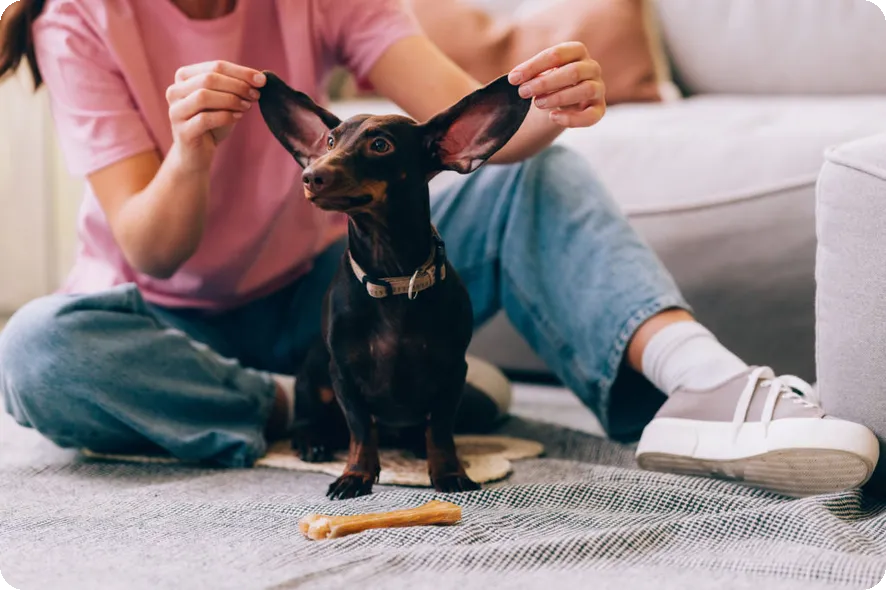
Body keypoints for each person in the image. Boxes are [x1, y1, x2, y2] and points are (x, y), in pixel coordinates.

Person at [0, 0, 878, 496]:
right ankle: (316, 402)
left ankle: (702, 383)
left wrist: (551, 109)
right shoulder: (76, 19)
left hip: (324, 291)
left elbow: (466, 132)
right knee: (37, 352)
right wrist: (192, 151)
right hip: (164, 327)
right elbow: (154, 251)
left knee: (538, 176)